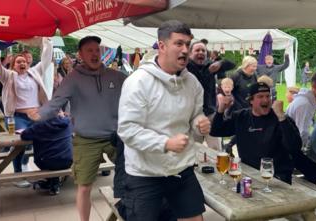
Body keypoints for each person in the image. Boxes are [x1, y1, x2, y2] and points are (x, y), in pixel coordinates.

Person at [117, 20, 210, 221]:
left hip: (181, 169)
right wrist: (165, 143)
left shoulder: (192, 83)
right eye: (179, 43)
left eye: (188, 44)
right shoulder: (138, 82)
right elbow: (127, 130)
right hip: (145, 174)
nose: (185, 50)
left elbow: (196, 115)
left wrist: (199, 123)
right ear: (161, 46)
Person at [29, 36, 127, 221]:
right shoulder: (73, 78)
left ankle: (126, 214)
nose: (94, 54)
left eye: (97, 50)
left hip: (115, 137)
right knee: (84, 186)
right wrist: (39, 114)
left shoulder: (116, 76)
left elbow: (138, 88)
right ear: (80, 55)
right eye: (89, 50)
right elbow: (56, 102)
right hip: (86, 140)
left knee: (130, 179)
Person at [0, 37, 53, 188]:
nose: (22, 63)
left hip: (37, 116)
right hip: (18, 117)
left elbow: (46, 59)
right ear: (13, 65)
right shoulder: (8, 76)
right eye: (19, 62)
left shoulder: (34, 73)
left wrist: (46, 42)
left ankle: (48, 172)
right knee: (21, 143)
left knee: (48, 138)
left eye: (24, 61)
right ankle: (18, 174)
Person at [211, 82, 299, 184]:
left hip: (276, 177)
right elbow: (216, 131)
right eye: (260, 96)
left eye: (268, 96)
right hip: (248, 174)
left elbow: (294, 147)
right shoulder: (241, 117)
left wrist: (282, 118)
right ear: (251, 100)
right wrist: (221, 109)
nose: (265, 100)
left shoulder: (280, 119)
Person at [187, 41, 235, 150]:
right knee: (194, 148)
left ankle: (219, 167)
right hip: (192, 115)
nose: (201, 52)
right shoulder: (186, 67)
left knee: (216, 148)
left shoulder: (209, 65)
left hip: (210, 114)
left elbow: (232, 64)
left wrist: (220, 63)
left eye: (203, 50)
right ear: (190, 53)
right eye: (197, 50)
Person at [286, 73, 316, 184]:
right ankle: (294, 187)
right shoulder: (305, 104)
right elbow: (302, 132)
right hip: (290, 149)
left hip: (293, 145)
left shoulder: (309, 102)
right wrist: (306, 152)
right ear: (314, 87)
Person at [20, 112, 73, 195]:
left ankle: (53, 183)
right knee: (56, 154)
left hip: (46, 162)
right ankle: (53, 183)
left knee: (50, 158)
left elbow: (24, 135)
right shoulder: (68, 122)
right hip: (67, 161)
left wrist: (33, 120)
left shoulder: (39, 125)